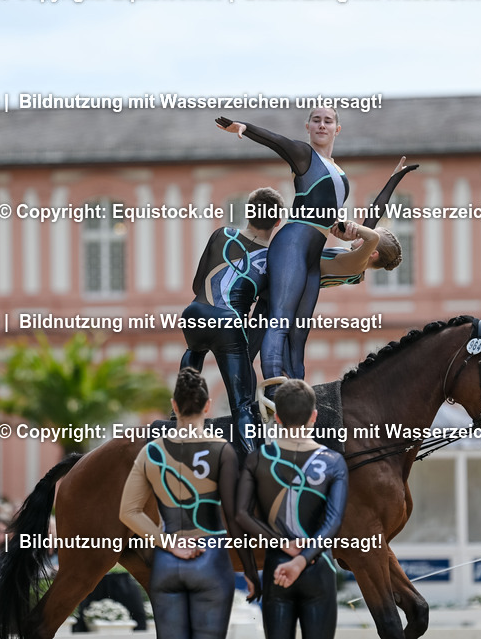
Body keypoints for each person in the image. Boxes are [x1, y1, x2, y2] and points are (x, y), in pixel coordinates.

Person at [217, 111, 414, 383]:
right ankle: (274, 387)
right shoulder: (305, 156)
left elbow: (369, 227)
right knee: (281, 321)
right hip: (292, 244)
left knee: (299, 333)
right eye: (316, 120)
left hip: (309, 258)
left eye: (328, 121)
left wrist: (390, 184)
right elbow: (278, 142)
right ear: (307, 126)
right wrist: (245, 127)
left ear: (338, 129)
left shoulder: (339, 172)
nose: (322, 125)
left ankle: (295, 391)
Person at [120, 368, 259, 639]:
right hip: (212, 561)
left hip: (167, 562)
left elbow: (129, 512)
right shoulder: (222, 449)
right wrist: (250, 570)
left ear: (174, 406)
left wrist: (167, 542)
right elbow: (234, 515)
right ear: (208, 406)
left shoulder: (152, 451)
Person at [236, 378, 348, 639]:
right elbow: (333, 522)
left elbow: (241, 514)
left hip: (277, 566)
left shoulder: (258, 459)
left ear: (277, 418)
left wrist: (285, 548)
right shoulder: (334, 462)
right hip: (318, 568)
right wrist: (301, 560)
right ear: (314, 416)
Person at [180, 187, 283, 453]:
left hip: (195, 313)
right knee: (242, 404)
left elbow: (196, 285)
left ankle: (176, 414)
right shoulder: (274, 261)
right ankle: (253, 461)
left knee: (194, 350)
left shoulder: (222, 234)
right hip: (229, 323)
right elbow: (265, 311)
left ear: (248, 213)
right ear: (277, 221)